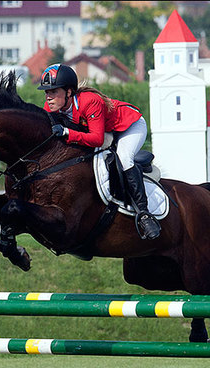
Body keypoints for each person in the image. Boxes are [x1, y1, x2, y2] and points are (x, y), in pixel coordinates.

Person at [38, 63, 160, 240]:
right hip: (106, 131)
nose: (49, 97)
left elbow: (96, 139)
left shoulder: (89, 101)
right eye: (47, 92)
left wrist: (66, 132)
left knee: (124, 158)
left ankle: (144, 213)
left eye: (53, 91)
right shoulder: (51, 107)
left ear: (69, 92)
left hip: (129, 126)